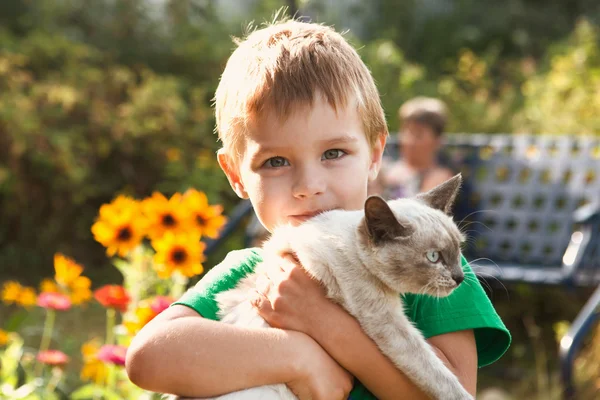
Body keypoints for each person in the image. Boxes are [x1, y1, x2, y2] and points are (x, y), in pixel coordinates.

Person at [125, 18, 510, 400]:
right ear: (235, 174)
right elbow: (147, 358)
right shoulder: (255, 269)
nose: (308, 187)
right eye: (275, 162)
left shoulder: (433, 270)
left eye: (333, 153)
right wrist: (300, 358)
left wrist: (326, 326)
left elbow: (455, 393)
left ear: (375, 154)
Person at [370, 97, 455, 199]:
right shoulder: (382, 170)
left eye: (418, 135)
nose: (410, 140)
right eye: (406, 131)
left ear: (437, 141)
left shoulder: (441, 178)